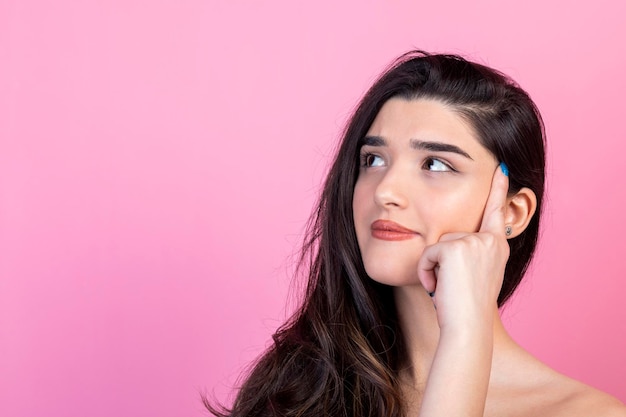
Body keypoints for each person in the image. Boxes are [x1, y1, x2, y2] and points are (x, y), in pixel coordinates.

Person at [207, 51, 626, 417]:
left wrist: (465, 336)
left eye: (435, 165)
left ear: (512, 211)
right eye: (372, 159)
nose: (386, 190)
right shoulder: (295, 389)